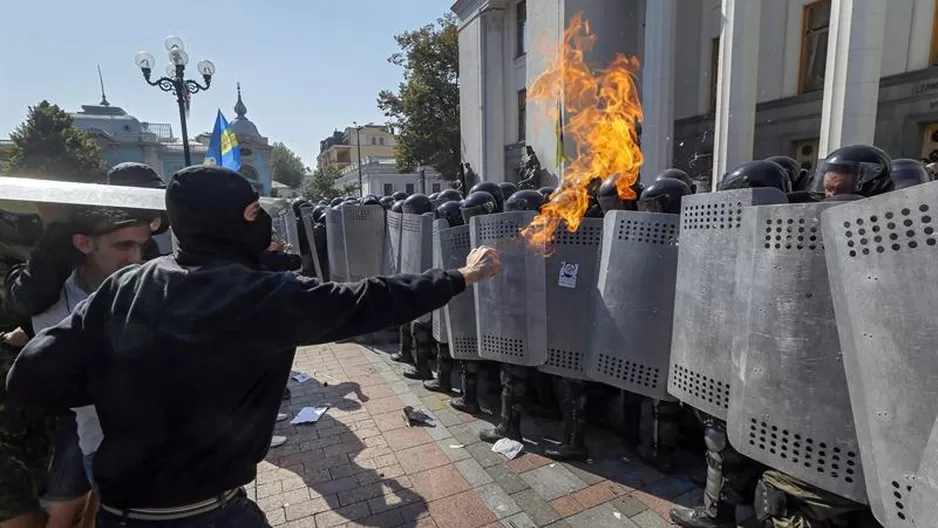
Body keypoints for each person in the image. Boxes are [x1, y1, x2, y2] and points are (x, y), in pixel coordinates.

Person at [6, 166, 501, 527]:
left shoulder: (129, 284)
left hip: (121, 513)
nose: (260, 222)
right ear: (233, 221)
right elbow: (368, 301)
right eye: (251, 213)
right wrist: (461, 275)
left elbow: (31, 376)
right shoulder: (260, 299)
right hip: (205, 514)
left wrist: (125, 385)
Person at [32, 205, 159, 528]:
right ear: (84, 244)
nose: (135, 257)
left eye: (140, 246)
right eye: (123, 245)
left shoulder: (155, 285)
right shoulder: (58, 307)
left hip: (173, 446)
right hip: (109, 451)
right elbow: (70, 384)